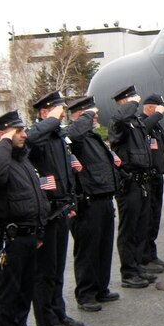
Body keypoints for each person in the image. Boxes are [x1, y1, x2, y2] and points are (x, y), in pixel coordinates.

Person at [0, 111, 49, 326]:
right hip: (10, 237)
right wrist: (5, 142)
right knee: (8, 292)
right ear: (2, 134)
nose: (23, 135)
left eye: (22, 131)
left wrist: (40, 230)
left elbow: (37, 197)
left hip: (29, 235)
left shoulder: (23, 161)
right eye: (17, 132)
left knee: (24, 290)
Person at [26, 90, 82, 326]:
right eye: (58, 110)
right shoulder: (39, 135)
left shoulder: (58, 137)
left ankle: (58, 312)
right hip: (46, 213)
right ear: (44, 112)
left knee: (58, 267)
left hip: (61, 208)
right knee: (45, 271)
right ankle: (46, 321)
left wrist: (71, 203)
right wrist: (51, 121)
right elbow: (29, 141)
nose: (62, 115)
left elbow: (67, 173)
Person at [66, 96, 121, 310]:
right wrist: (86, 117)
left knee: (103, 247)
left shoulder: (91, 136)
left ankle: (101, 288)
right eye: (91, 113)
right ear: (80, 115)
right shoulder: (75, 135)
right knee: (87, 250)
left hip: (103, 198)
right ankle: (86, 293)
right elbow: (73, 134)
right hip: (87, 201)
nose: (96, 116)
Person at [108, 85, 156, 289]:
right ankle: (128, 272)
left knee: (140, 227)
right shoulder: (118, 124)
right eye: (132, 101)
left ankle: (137, 267)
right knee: (128, 230)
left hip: (141, 181)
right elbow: (121, 117)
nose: (136, 104)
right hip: (128, 183)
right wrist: (134, 102)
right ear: (124, 103)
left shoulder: (134, 123)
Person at [140, 94, 164, 271]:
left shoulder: (156, 124)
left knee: (155, 218)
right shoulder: (141, 122)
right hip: (147, 178)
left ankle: (152, 255)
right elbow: (142, 130)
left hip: (157, 175)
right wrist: (157, 116)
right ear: (150, 108)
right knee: (147, 219)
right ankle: (145, 258)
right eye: (160, 108)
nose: (163, 111)